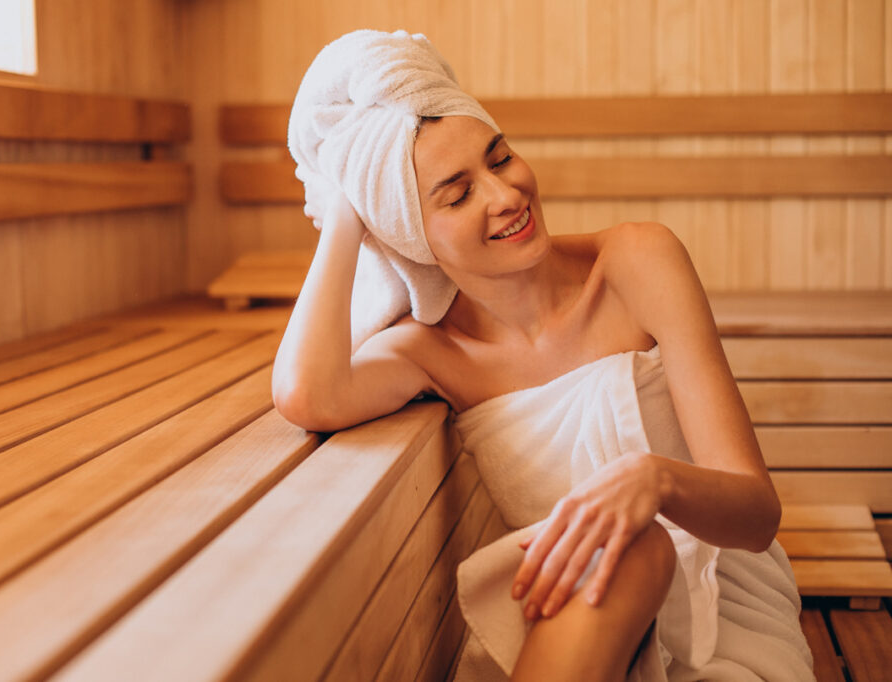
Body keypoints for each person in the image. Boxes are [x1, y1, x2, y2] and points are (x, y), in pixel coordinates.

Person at [275, 29, 814, 681]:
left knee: (630, 540)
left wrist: (654, 479)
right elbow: (306, 394)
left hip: (724, 611)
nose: (505, 196)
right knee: (618, 547)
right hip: (585, 624)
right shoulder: (433, 350)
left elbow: (757, 515)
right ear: (411, 236)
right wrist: (345, 217)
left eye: (500, 159)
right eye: (458, 194)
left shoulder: (636, 262)